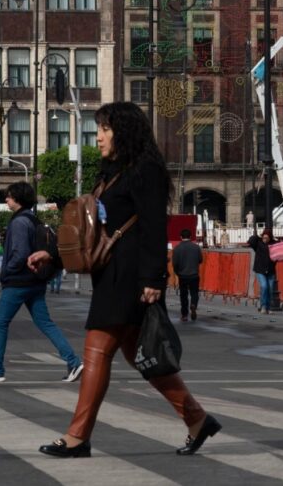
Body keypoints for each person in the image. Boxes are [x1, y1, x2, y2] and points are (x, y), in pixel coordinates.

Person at [31, 102, 221, 458]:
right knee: (142, 357)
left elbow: (152, 227)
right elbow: (93, 231)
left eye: (104, 128)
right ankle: (197, 418)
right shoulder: (109, 173)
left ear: (125, 131)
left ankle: (77, 436)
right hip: (112, 275)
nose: (98, 136)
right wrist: (54, 256)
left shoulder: (145, 170)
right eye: (98, 128)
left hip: (132, 278)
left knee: (97, 349)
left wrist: (154, 279)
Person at [0, 181, 83, 384]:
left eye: (10, 196)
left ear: (18, 199)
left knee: (0, 323)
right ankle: (73, 362)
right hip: (35, 281)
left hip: (18, 282)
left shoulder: (19, 222)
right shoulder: (33, 219)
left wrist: (8, 270)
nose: (6, 199)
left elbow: (20, 253)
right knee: (45, 323)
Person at [172, 228, 203, 322]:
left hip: (183, 275)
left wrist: (178, 272)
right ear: (190, 236)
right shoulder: (196, 247)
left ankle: (184, 315)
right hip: (194, 274)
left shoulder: (177, 248)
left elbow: (175, 263)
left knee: (183, 295)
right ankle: (193, 304)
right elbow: (200, 260)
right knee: (194, 293)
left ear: (180, 237)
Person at [248, 228, 276, 314]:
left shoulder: (273, 244)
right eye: (264, 237)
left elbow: (281, 249)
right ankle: (264, 306)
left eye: (267, 238)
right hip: (260, 269)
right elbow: (251, 241)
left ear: (270, 238)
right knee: (264, 286)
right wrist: (257, 236)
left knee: (270, 289)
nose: (265, 239)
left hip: (271, 270)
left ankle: (269, 307)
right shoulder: (258, 244)